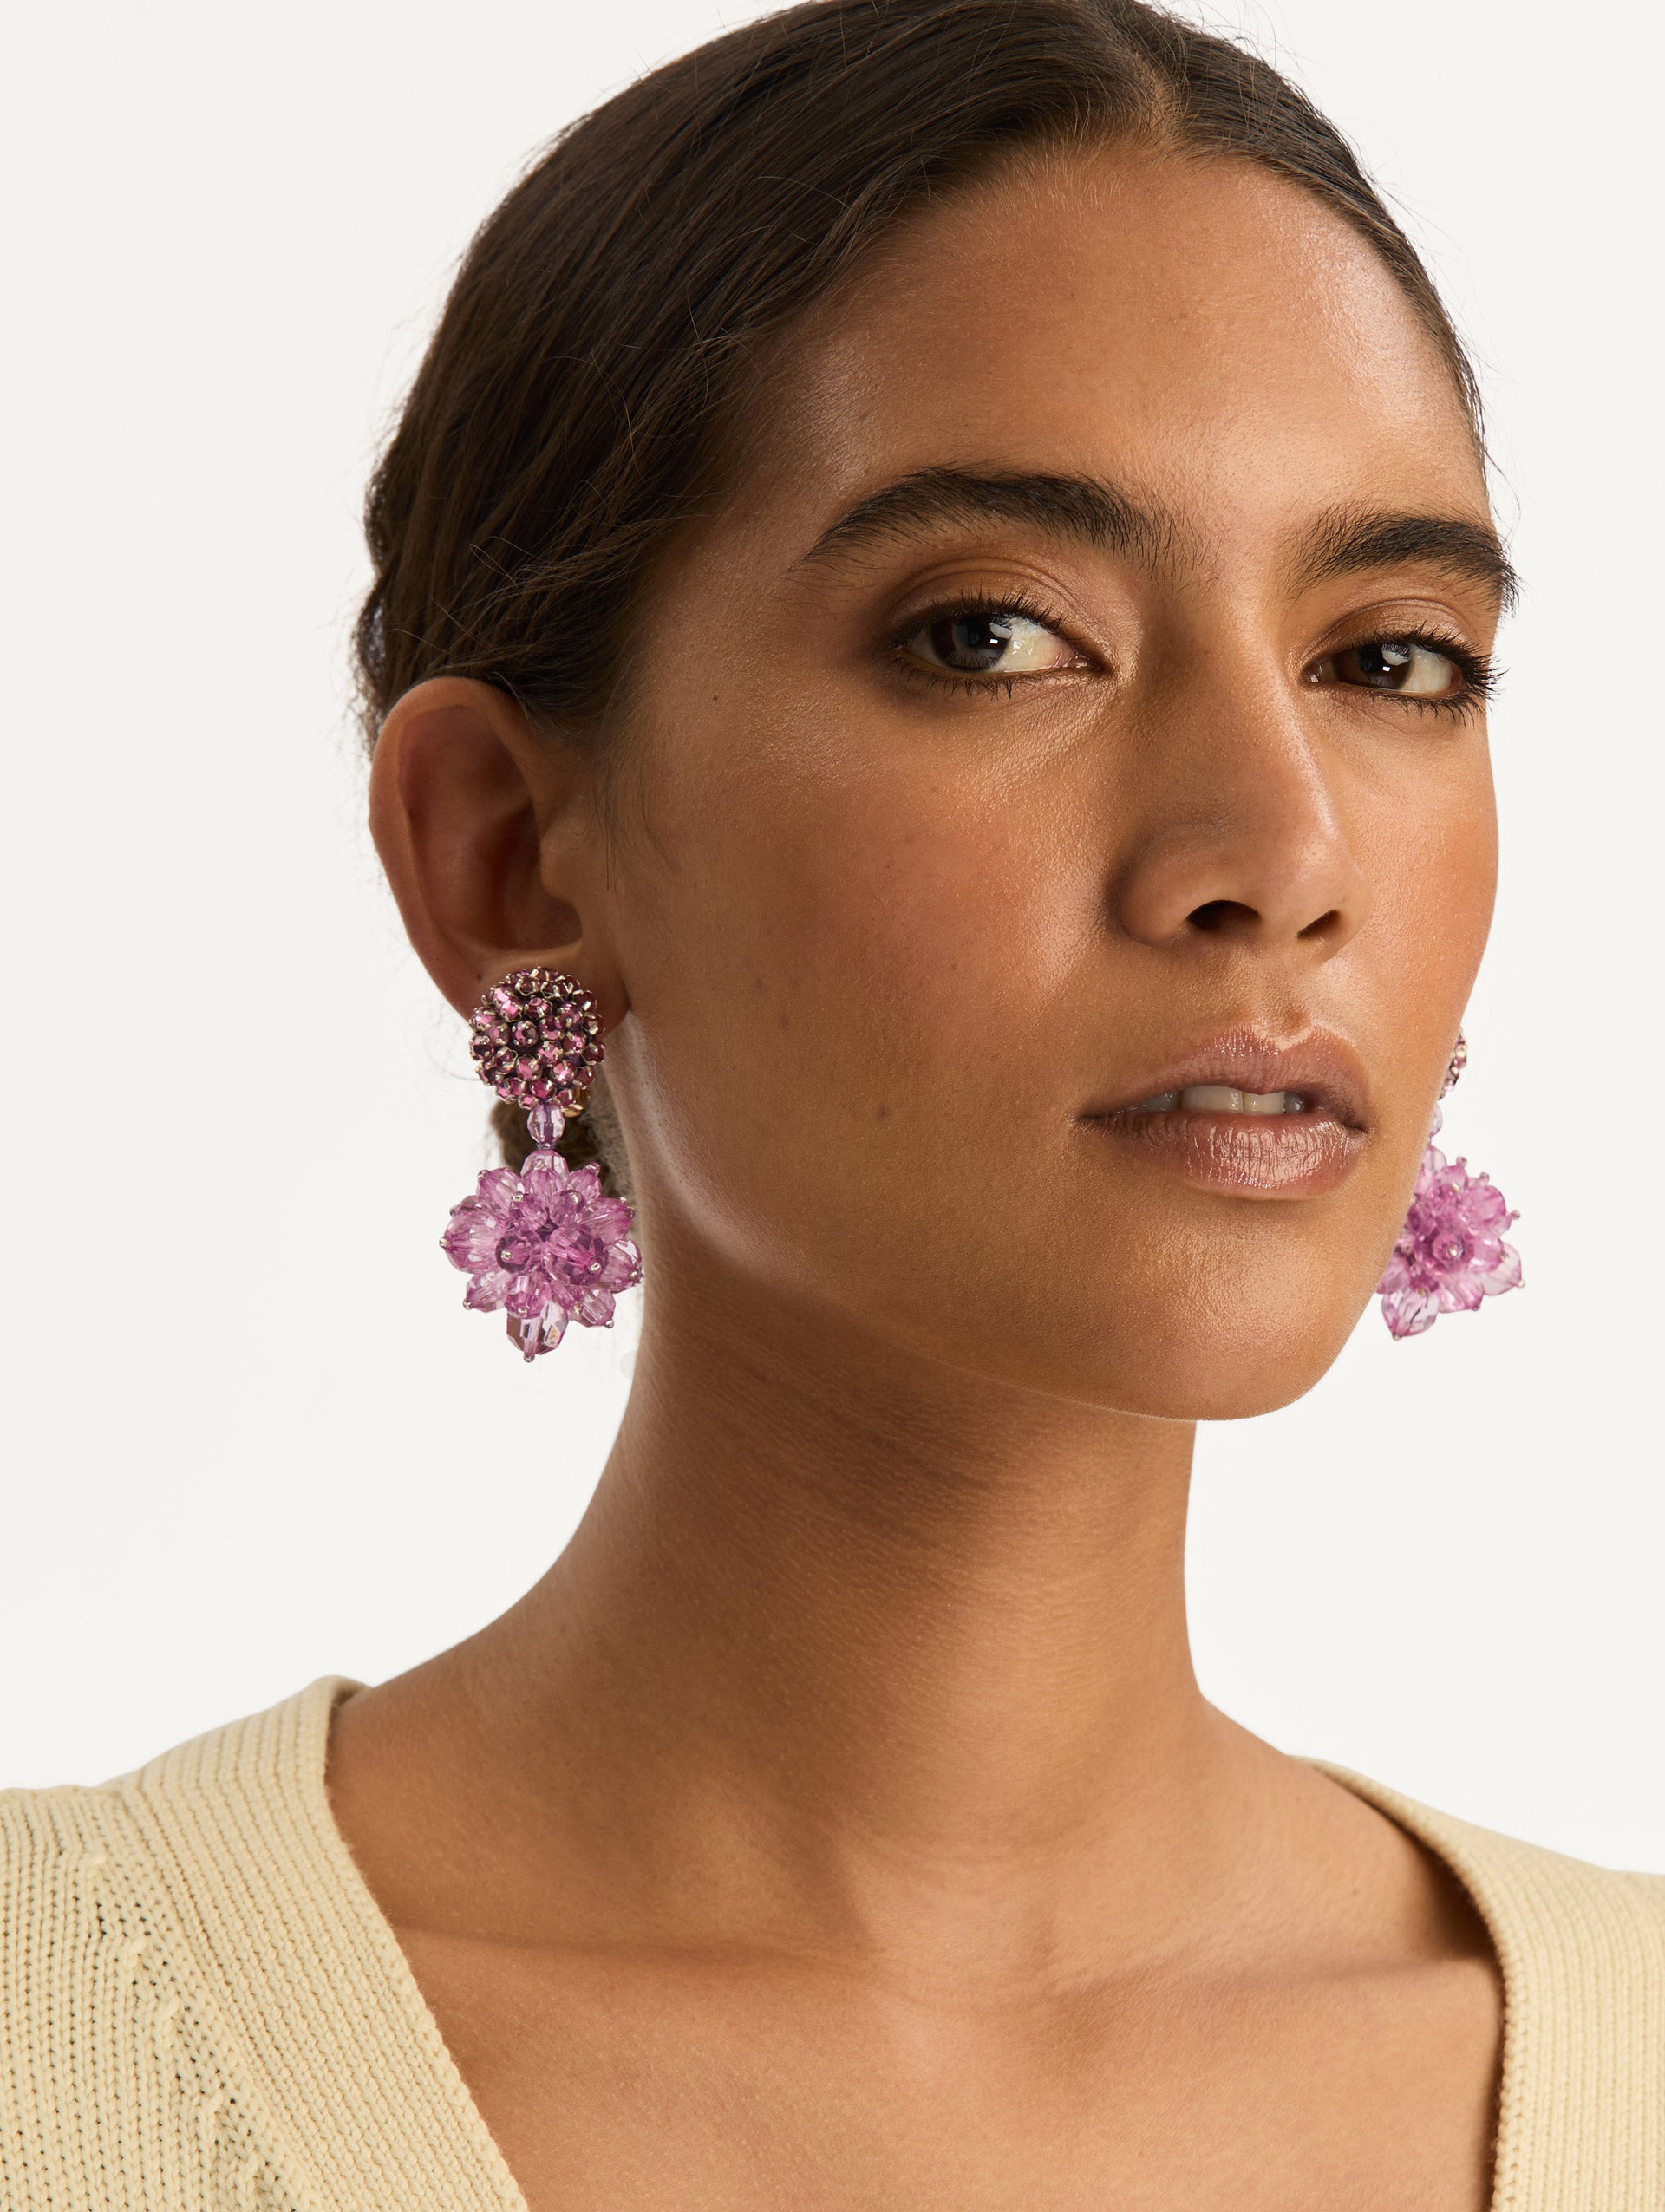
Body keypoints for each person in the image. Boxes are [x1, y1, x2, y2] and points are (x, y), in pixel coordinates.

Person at [3, 2, 1660, 2205]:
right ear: (507, 853)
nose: (1282, 844)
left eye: (1390, 659)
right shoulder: (58, 2051)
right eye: (996, 635)